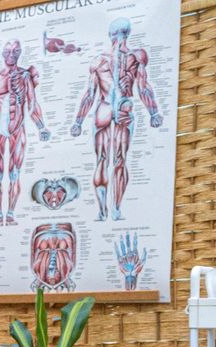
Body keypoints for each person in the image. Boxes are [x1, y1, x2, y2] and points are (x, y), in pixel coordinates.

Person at [70, 18, 163, 221]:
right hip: (124, 107)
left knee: (102, 159)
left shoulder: (100, 61)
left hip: (104, 109)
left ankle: (103, 209)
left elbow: (89, 94)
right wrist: (153, 113)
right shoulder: (135, 58)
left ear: (110, 35)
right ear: (127, 34)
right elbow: (143, 88)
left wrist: (78, 121)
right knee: (120, 160)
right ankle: (116, 209)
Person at [0, 40, 51, 226]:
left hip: (17, 130)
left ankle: (11, 213)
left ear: (20, 53)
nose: (12, 54)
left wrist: (41, 127)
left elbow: (32, 104)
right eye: (8, 51)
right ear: (3, 54)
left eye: (16, 51)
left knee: (15, 173)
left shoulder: (24, 77)